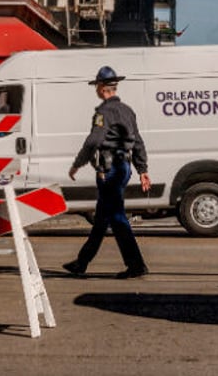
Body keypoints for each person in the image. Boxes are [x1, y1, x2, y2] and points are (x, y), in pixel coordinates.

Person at [63, 66, 151, 279]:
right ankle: (82, 262)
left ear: (102, 89)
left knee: (117, 217)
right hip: (124, 167)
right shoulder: (128, 110)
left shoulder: (103, 113)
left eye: (97, 87)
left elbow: (94, 140)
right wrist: (142, 169)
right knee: (102, 217)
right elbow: (138, 141)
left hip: (109, 170)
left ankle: (136, 265)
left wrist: (78, 163)